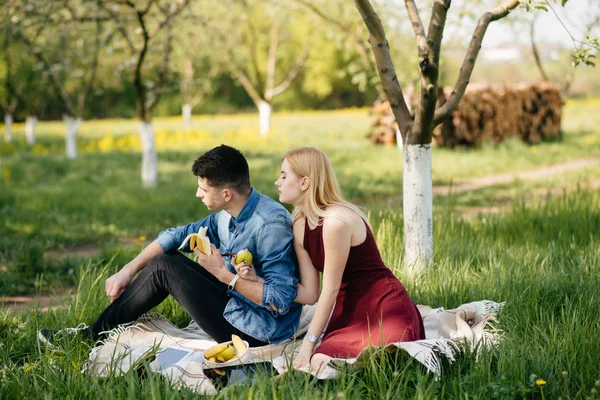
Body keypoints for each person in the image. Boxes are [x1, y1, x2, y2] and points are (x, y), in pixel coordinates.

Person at [39, 145, 302, 347]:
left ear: (226, 194)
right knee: (167, 259)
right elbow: (177, 235)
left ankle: (89, 336)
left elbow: (280, 301)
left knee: (165, 267)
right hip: (237, 303)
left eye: (203, 189)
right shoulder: (228, 212)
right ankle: (96, 331)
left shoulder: (269, 225)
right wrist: (127, 270)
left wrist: (224, 275)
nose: (198, 194)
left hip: (259, 331)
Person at [238, 147, 425, 371]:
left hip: (383, 306)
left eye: (284, 175)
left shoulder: (336, 222)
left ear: (305, 182)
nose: (277, 182)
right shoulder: (300, 226)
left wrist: (309, 343)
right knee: (325, 362)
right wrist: (257, 280)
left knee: (376, 358)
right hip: (349, 311)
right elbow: (310, 294)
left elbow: (331, 289)